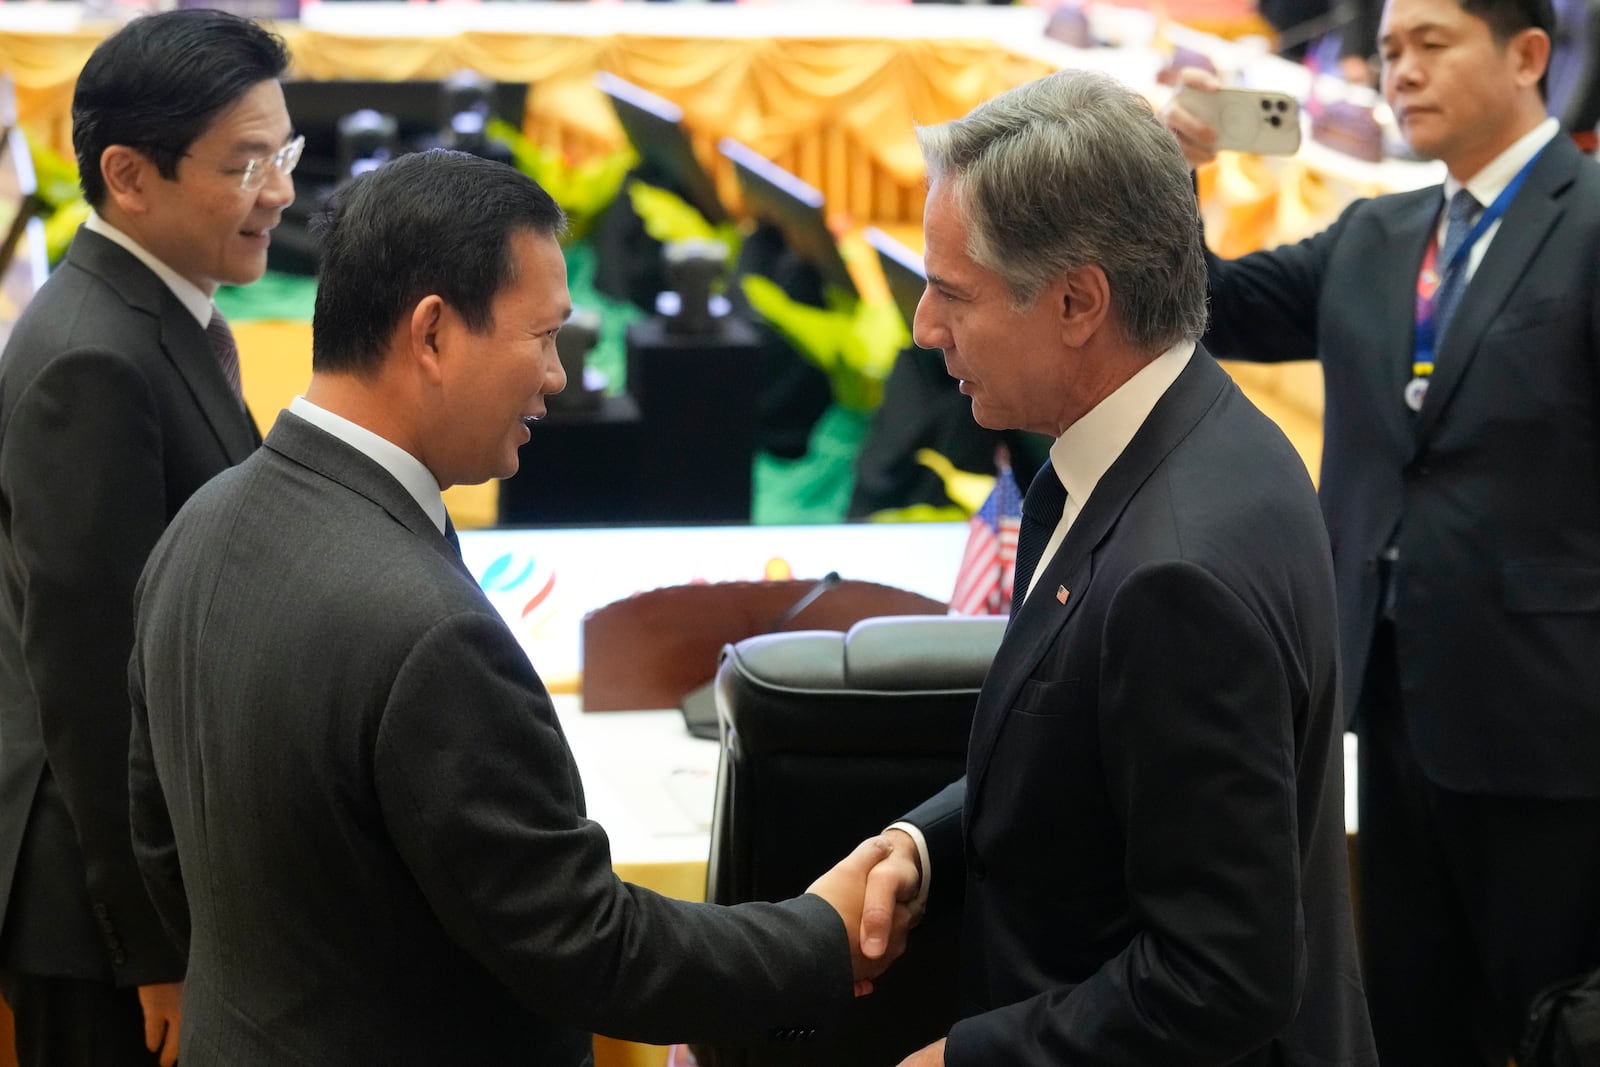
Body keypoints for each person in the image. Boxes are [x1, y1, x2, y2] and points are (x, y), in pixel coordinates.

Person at [126, 149, 907, 1065]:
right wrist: (817, 932)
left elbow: (156, 835)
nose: (559, 376)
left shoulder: (199, 525)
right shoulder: (428, 632)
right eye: (543, 337)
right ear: (432, 334)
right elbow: (584, 945)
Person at [852, 69, 1377, 1066]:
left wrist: (969, 1059)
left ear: (1076, 302)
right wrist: (929, 846)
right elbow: (1082, 766)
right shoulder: (1189, 430)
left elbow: (1221, 977)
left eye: (951, 292)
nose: (924, 327)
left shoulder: (1175, 573)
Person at [1163, 0, 1600, 1057]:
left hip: (1553, 717)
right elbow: (1202, 305)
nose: (1399, 70)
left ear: (1528, 55)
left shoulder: (1588, 220)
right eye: (1390, 48)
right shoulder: (1378, 233)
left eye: (1432, 44)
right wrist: (1172, 180)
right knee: (1404, 1015)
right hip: (1383, 699)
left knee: (1558, 1023)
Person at [0, 11, 296, 1067]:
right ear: (130, 174)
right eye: (247, 164)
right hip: (100, 916)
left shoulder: (163, 315)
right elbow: (89, 676)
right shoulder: (94, 359)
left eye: (283, 153)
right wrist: (155, 945)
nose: (281, 193)